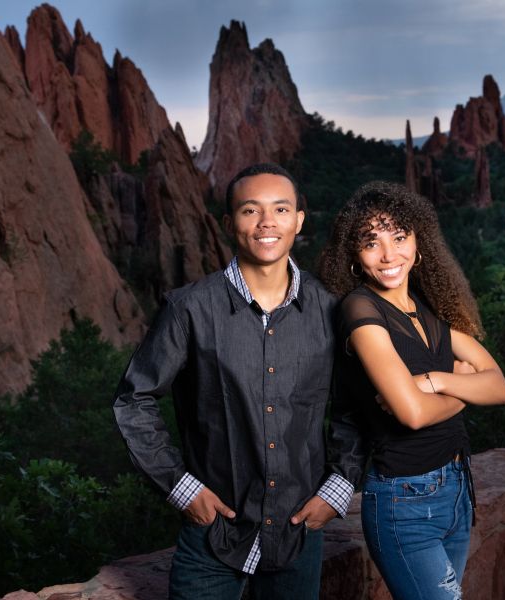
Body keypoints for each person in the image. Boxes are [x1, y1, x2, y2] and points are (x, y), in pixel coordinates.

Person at [113, 163, 356, 600]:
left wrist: (337, 489)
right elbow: (134, 399)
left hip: (298, 535)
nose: (267, 222)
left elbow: (353, 406)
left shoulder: (329, 311)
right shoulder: (189, 308)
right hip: (210, 539)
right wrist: (180, 487)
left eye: (281, 209)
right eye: (250, 210)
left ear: (299, 220)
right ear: (228, 223)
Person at [320, 181, 505, 600]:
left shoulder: (428, 307)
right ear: (355, 255)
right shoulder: (361, 308)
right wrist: (462, 388)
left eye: (399, 237)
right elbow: (412, 414)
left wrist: (436, 382)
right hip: (405, 500)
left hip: (457, 489)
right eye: (372, 242)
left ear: (418, 240)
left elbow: (499, 386)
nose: (389, 255)